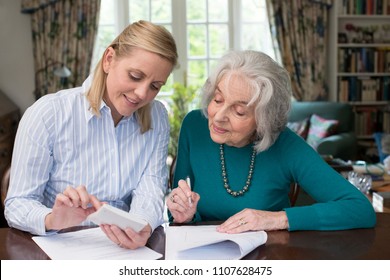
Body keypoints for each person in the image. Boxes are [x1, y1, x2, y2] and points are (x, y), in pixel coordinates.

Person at [5, 20, 178, 249]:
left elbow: (151, 188)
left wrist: (142, 225)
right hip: (60, 248)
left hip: (126, 252)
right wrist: (51, 219)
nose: (142, 93)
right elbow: (17, 204)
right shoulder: (48, 114)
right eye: (135, 76)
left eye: (155, 86)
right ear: (109, 60)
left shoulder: (157, 117)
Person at [167, 50, 376, 233]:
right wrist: (183, 215)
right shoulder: (195, 125)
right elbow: (178, 213)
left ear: (264, 120)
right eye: (218, 100)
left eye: (239, 111)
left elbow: (359, 209)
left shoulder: (286, 145)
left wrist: (276, 219)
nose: (219, 116)